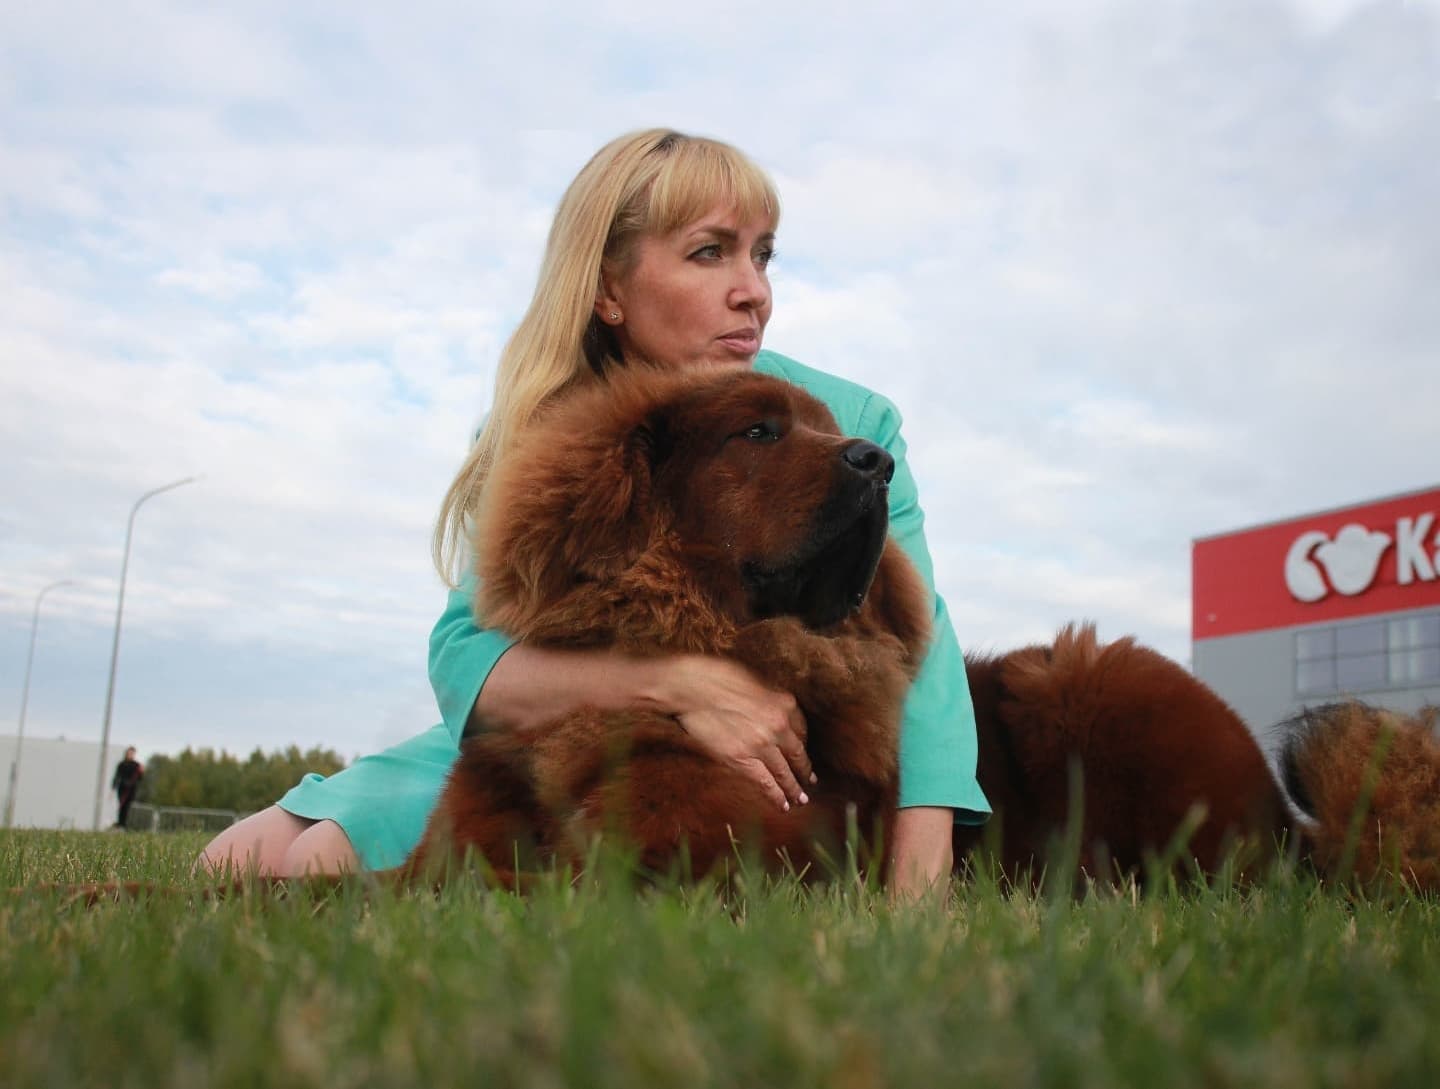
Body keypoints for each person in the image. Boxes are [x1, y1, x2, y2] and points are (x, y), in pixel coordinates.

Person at [199, 129, 990, 897]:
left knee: (317, 863)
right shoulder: (539, 419)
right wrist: (677, 684)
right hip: (553, 722)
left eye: (762, 254)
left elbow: (917, 642)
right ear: (609, 288)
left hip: (727, 757)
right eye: (709, 252)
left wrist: (918, 881)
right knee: (231, 860)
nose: (753, 289)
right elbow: (466, 652)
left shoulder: (851, 420)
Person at [112, 746, 144, 830]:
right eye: (129, 753)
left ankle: (125, 825)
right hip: (122, 789)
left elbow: (140, 778)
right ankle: (120, 824)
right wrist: (114, 786)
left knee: (128, 807)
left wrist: (141, 772)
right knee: (122, 806)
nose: (130, 755)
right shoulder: (121, 764)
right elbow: (117, 776)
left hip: (131, 790)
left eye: (132, 753)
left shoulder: (136, 765)